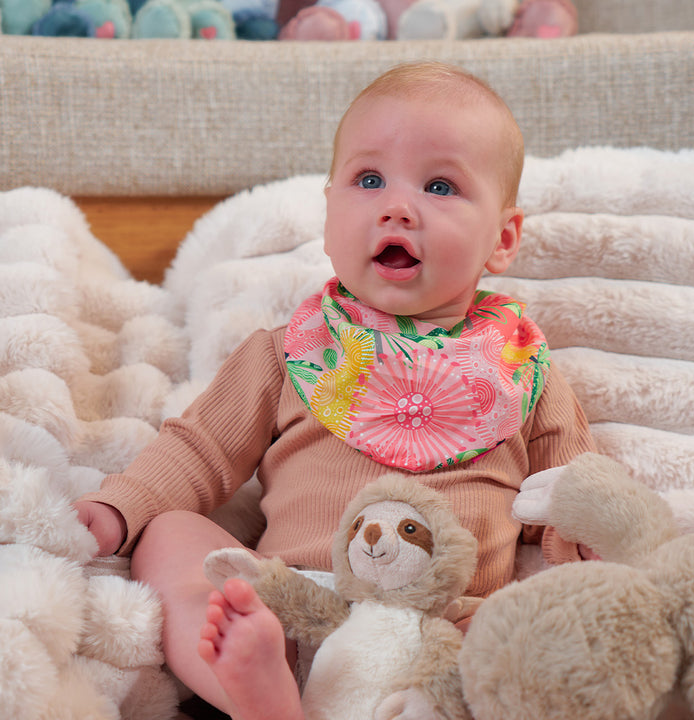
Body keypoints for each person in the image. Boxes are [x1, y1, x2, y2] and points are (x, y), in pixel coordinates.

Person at [74, 61, 597, 720]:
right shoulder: (288, 354)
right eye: (368, 179)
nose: (397, 206)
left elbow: (570, 485)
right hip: (290, 607)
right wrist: (122, 505)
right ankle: (254, 692)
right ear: (328, 214)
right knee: (171, 534)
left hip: (450, 633)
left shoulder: (521, 367)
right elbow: (199, 450)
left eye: (440, 185)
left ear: (503, 239)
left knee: (552, 625)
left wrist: (595, 537)